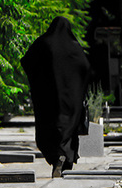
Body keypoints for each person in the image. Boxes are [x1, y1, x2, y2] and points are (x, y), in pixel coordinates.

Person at [21, 17, 91, 178]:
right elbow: (86, 67)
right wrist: (77, 85)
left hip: (47, 100)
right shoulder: (74, 47)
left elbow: (27, 61)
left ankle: (56, 157)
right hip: (70, 101)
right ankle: (65, 159)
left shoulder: (43, 43)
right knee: (68, 129)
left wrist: (42, 79)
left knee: (48, 129)